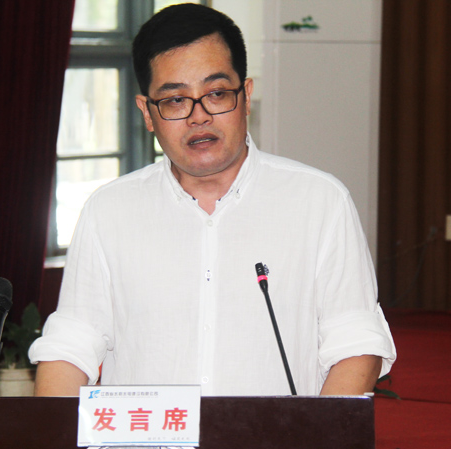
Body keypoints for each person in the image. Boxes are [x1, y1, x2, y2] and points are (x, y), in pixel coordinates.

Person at [29, 3, 396, 397]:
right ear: (147, 113)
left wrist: (316, 428)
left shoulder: (320, 203)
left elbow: (356, 344)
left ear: (246, 96)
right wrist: (51, 423)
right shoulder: (109, 212)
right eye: (175, 100)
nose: (198, 116)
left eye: (217, 94)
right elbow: (71, 345)